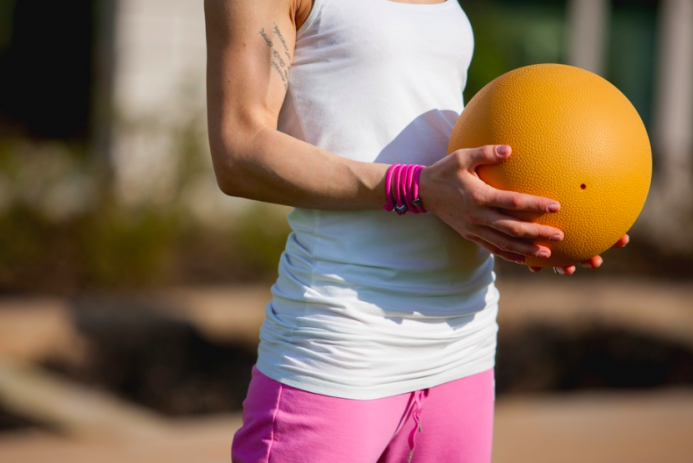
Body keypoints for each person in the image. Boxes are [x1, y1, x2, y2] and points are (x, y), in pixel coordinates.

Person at [204, 0, 629, 461]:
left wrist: (532, 221)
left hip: (463, 338)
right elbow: (238, 151)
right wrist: (416, 187)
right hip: (342, 341)